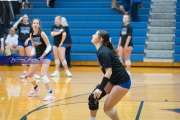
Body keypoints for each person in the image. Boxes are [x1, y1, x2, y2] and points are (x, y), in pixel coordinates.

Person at [88, 30, 131, 120]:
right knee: (93, 98)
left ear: (100, 39)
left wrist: (100, 88)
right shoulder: (100, 50)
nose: (93, 35)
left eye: (95, 34)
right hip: (112, 80)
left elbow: (109, 72)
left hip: (122, 82)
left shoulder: (103, 52)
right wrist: (100, 88)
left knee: (107, 109)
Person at [27, 18, 54, 101]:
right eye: (34, 23)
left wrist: (43, 56)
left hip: (46, 55)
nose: (35, 24)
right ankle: (35, 88)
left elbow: (49, 46)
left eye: (37, 23)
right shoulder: (31, 34)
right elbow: (34, 47)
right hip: (38, 56)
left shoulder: (42, 33)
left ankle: (50, 93)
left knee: (43, 74)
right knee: (30, 74)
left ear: (39, 25)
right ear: (32, 25)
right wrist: (31, 56)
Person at [13, 14, 40, 79]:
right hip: (20, 42)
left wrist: (27, 40)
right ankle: (24, 72)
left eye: (26, 17)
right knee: (23, 58)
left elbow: (32, 35)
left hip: (28, 42)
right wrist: (19, 19)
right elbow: (14, 27)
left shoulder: (30, 25)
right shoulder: (20, 24)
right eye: (24, 17)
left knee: (30, 57)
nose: (25, 18)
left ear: (28, 18)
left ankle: (33, 72)